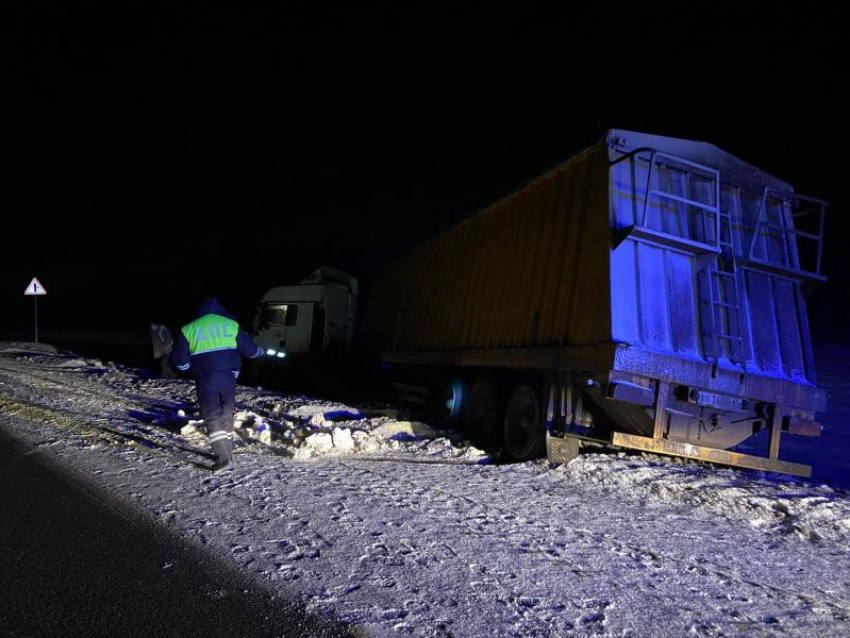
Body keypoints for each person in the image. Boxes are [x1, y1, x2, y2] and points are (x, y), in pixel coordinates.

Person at [170, 297, 264, 471]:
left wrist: (188, 368)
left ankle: (223, 458)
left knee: (212, 416)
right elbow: (251, 351)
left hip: (205, 377)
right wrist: (261, 351)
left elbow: (179, 360)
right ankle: (228, 451)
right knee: (226, 412)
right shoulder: (231, 324)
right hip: (229, 377)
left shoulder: (189, 328)